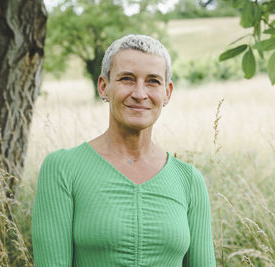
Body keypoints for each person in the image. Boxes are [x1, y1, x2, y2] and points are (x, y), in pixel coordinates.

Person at [31, 34, 216, 266]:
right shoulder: (63, 169)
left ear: (167, 92)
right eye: (127, 79)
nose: (140, 94)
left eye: (153, 81)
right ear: (104, 87)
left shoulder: (189, 181)